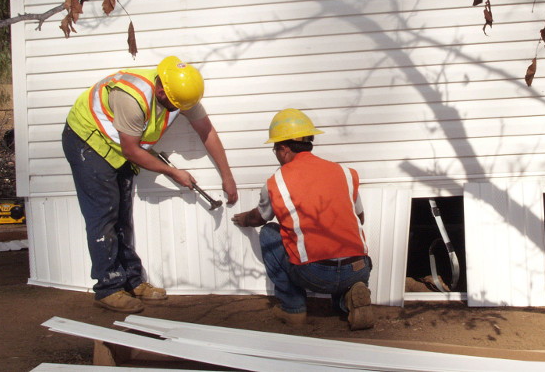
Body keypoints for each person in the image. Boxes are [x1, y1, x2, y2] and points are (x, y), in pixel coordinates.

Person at [62, 56, 238, 313]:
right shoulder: (132, 99)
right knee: (104, 215)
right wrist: (173, 172)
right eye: (174, 104)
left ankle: (132, 281)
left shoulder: (180, 92)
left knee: (122, 216)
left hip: (117, 147)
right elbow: (132, 151)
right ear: (160, 90)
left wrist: (227, 175)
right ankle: (108, 288)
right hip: (87, 141)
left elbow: (206, 131)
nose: (178, 109)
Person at [232, 108, 374, 330]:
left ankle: (293, 309)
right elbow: (360, 217)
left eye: (275, 149)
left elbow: (260, 218)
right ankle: (347, 301)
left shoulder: (276, 182)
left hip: (316, 273)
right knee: (339, 244)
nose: (277, 155)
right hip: (358, 267)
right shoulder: (344, 173)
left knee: (269, 232)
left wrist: (244, 219)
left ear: (284, 149)